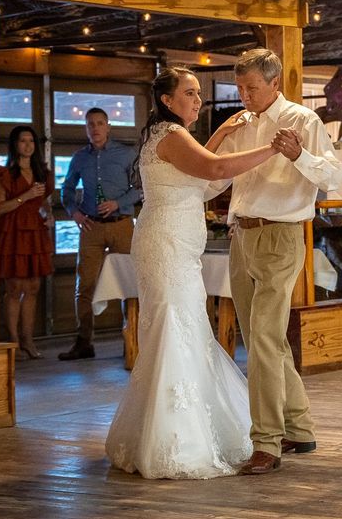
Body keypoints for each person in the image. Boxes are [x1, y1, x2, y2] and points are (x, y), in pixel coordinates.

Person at [105, 66, 281, 479]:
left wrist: (217, 136)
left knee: (186, 327)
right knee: (174, 328)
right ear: (167, 100)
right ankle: (172, 441)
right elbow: (215, 171)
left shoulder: (171, 135)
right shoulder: (170, 135)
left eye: (199, 92)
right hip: (166, 246)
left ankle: (179, 430)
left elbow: (202, 185)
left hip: (178, 248)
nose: (198, 100)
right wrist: (274, 149)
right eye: (189, 93)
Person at [214, 48, 342, 475]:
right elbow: (217, 177)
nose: (244, 95)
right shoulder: (240, 123)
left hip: (280, 236)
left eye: (251, 87)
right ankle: (300, 428)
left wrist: (298, 156)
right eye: (239, 88)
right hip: (241, 236)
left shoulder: (303, 121)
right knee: (261, 339)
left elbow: (335, 177)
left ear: (274, 83)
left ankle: (266, 442)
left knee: (266, 340)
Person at [59, 108, 140, 360]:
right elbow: (67, 188)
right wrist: (74, 212)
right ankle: (84, 342)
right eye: (90, 124)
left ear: (108, 127)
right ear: (86, 128)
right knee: (85, 285)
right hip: (91, 227)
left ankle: (133, 341)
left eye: (100, 123)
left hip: (122, 225)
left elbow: (140, 188)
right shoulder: (79, 158)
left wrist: (117, 203)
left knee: (129, 282)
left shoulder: (126, 154)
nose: (95, 128)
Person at [0, 126, 55, 360]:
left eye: (31, 141)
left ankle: (28, 340)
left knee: (33, 287)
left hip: (35, 232)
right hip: (13, 232)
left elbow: (44, 203)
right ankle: (13, 342)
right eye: (23, 141)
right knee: (14, 288)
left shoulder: (43, 173)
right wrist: (25, 197)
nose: (28, 145)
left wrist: (48, 214)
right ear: (15, 145)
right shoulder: (5, 174)